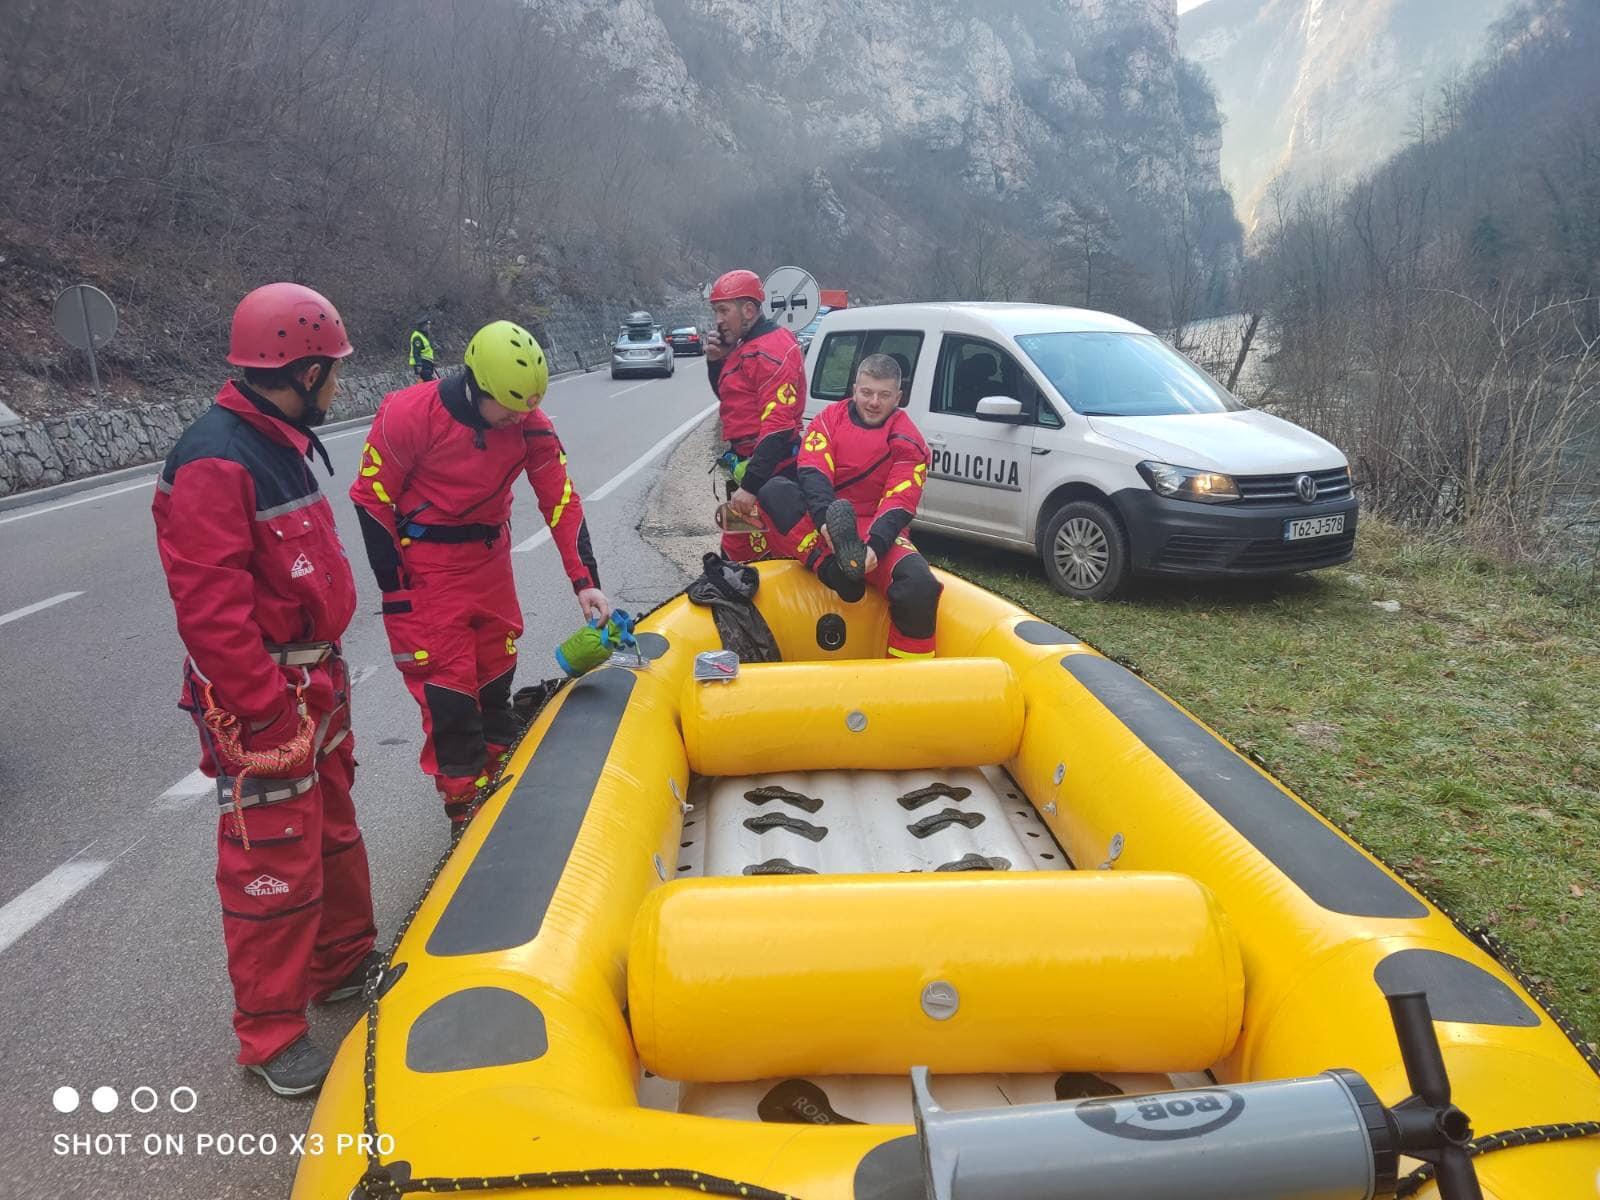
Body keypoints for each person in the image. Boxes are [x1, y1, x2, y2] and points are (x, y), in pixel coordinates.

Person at [152, 282, 378, 1098]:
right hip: (265, 694)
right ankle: (271, 1036)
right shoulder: (218, 459)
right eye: (334, 373)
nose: (340, 388)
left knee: (334, 826)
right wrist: (267, 712)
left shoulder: (276, 438)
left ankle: (344, 966)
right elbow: (211, 614)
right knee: (270, 860)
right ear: (305, 369)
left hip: (314, 679)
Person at [351, 320, 609, 830]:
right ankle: (464, 809)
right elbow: (371, 496)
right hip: (427, 572)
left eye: (525, 408)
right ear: (477, 384)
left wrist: (586, 581)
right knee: (450, 699)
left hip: (489, 562)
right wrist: (395, 588)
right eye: (508, 409)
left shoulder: (530, 423)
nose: (517, 419)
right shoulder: (410, 414)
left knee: (494, 685)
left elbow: (559, 499)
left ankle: (501, 785)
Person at [755, 353, 942, 659]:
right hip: (826, 525)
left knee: (920, 586)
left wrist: (875, 548)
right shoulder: (828, 420)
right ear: (854, 389)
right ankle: (833, 570)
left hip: (874, 530)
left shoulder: (909, 440)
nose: (873, 402)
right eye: (867, 392)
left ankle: (907, 682)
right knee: (775, 490)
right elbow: (814, 474)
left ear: (899, 397)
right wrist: (827, 524)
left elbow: (899, 499)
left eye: (884, 395)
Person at [704, 268, 805, 562]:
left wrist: (750, 487)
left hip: (773, 474)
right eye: (715, 311)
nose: (718, 320)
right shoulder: (744, 346)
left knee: (772, 555)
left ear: (748, 309)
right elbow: (731, 399)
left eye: (724, 310)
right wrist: (715, 362)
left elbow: (777, 427)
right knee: (737, 554)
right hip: (746, 467)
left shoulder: (772, 349)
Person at [409, 316, 437, 382]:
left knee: (428, 383)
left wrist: (432, 362)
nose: (429, 326)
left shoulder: (423, 335)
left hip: (427, 364)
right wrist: (419, 365)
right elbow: (416, 352)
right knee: (428, 383)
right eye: (428, 324)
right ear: (424, 326)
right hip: (423, 365)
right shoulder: (417, 337)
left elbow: (426, 351)